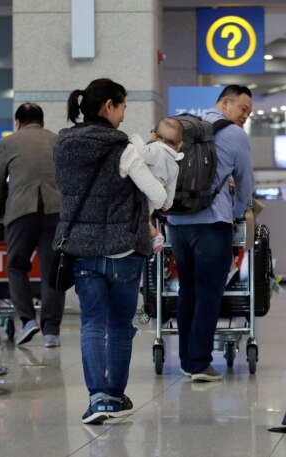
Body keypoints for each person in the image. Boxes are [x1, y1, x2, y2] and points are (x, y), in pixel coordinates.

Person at [52, 78, 166, 424]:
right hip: (123, 251)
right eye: (123, 107)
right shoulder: (124, 149)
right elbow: (158, 197)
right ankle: (115, 395)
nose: (124, 114)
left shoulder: (63, 146)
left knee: (91, 323)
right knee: (119, 326)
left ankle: (97, 398)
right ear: (109, 107)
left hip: (82, 251)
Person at [166, 85, 255, 382]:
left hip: (177, 223)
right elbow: (245, 182)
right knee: (208, 293)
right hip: (212, 224)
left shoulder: (185, 126)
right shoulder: (234, 135)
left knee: (187, 291)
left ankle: (186, 359)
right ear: (226, 102)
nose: (245, 116)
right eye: (243, 109)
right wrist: (238, 212)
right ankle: (200, 362)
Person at [0, 103, 66, 347]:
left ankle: (28, 320)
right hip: (55, 211)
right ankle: (51, 331)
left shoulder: (9, 142)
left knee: (16, 265)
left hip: (21, 211)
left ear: (18, 123)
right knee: (52, 271)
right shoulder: (56, 140)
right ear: (41, 122)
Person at [129, 117, 185, 253]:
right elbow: (170, 189)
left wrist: (134, 138)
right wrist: (167, 205)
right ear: (179, 145)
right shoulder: (174, 165)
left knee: (136, 218)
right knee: (143, 218)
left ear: (154, 136)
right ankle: (154, 237)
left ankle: (153, 237)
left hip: (142, 193)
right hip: (154, 201)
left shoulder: (155, 150)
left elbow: (141, 152)